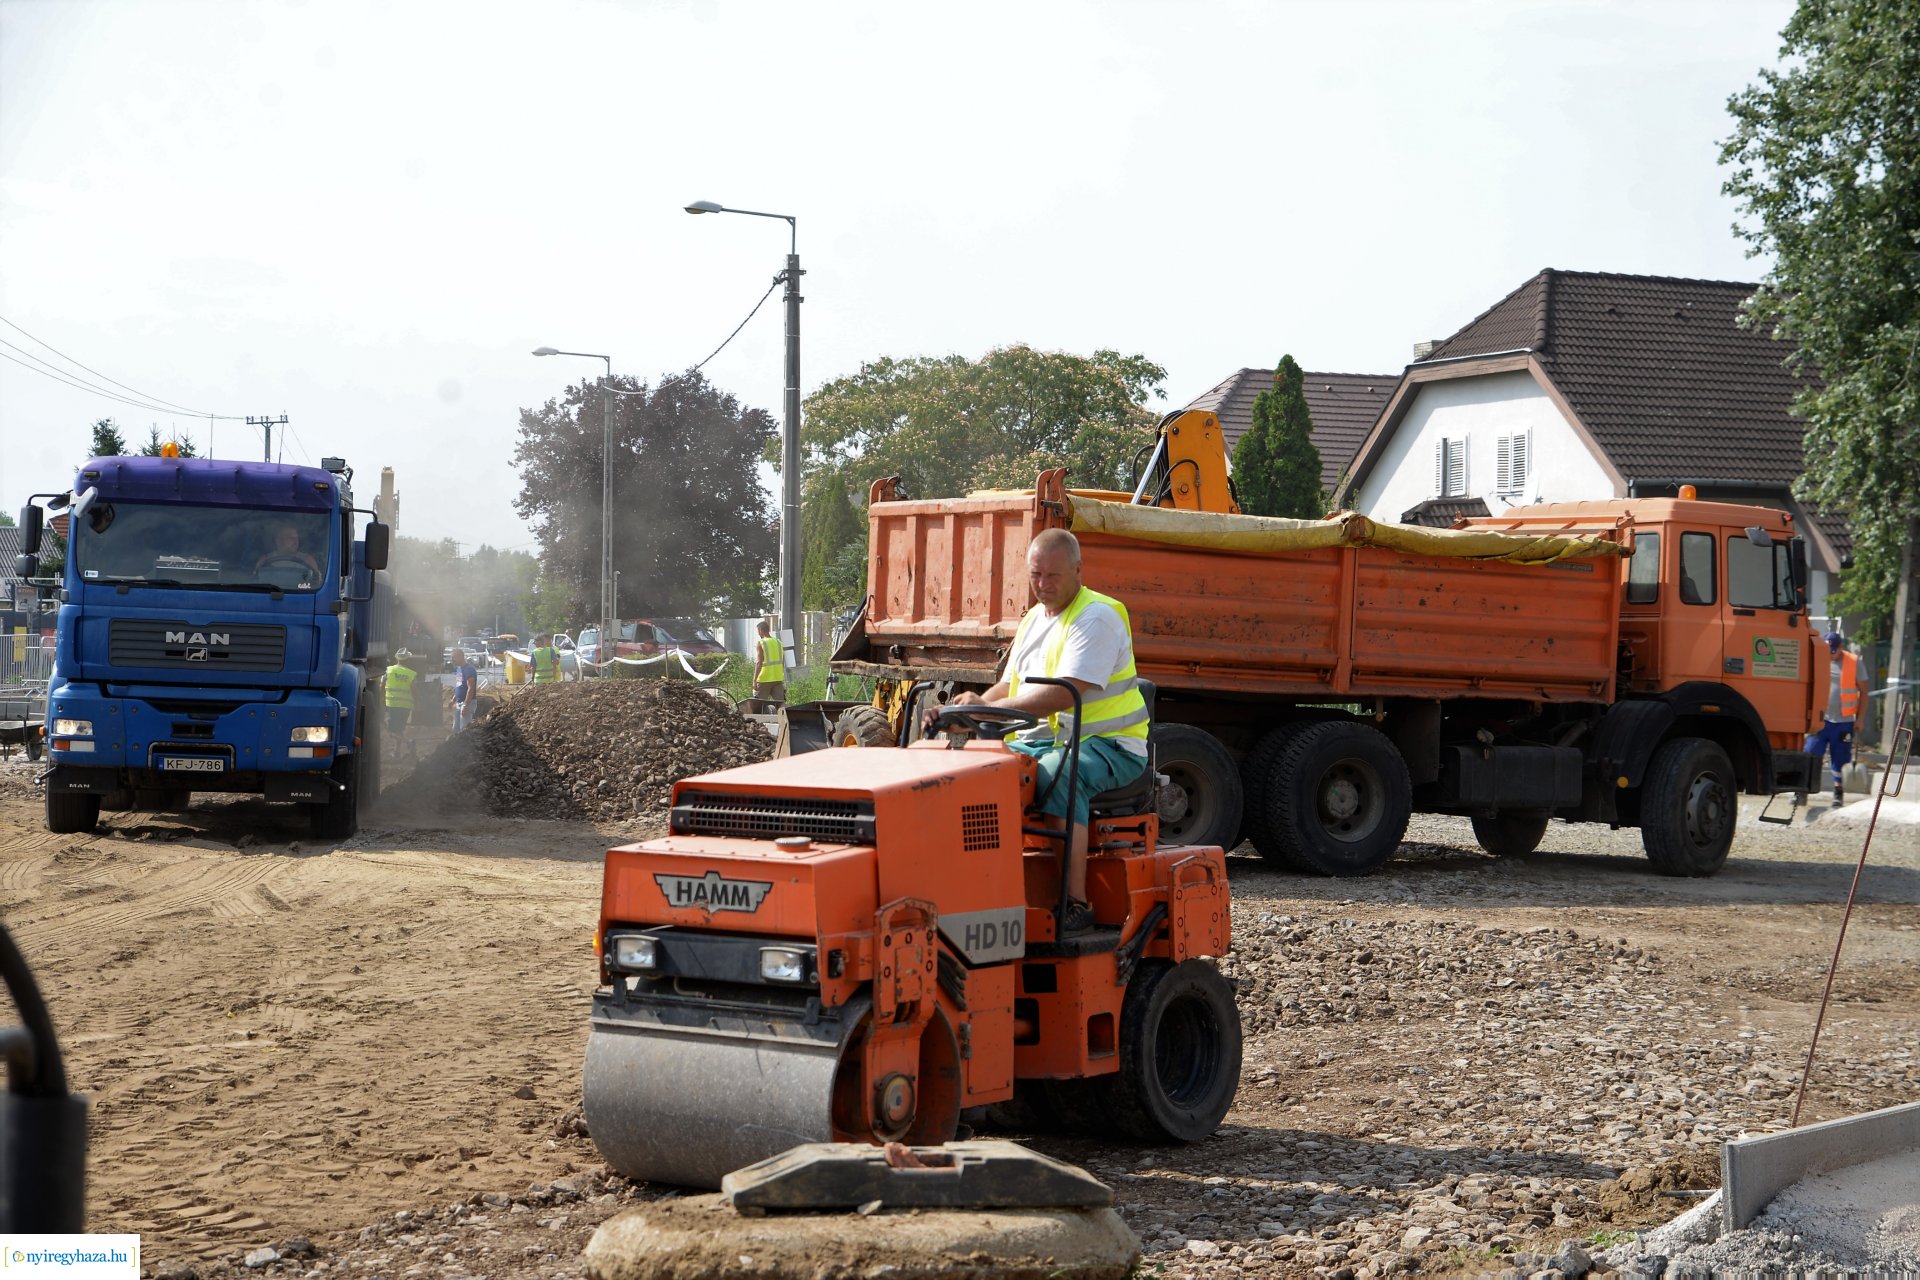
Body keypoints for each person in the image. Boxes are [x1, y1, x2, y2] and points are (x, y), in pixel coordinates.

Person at [933, 528, 1148, 934]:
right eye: (1035, 576)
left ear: (1078, 570)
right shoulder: (1034, 618)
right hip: (1044, 739)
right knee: (964, 771)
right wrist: (971, 704)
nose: (1043, 585)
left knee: (1055, 776)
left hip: (1109, 746)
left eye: (1053, 576)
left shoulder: (1097, 616)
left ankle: (1075, 904)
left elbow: (1061, 697)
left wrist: (990, 708)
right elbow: (1010, 686)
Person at [1804, 629, 1862, 806]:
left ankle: (1838, 793)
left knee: (1840, 757)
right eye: (1828, 651)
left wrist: (1860, 719)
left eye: (1834, 651)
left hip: (1844, 721)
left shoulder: (1853, 662)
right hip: (1820, 719)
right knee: (1811, 754)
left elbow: (1865, 692)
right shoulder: (1817, 659)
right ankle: (1801, 792)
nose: (1831, 655)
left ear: (1840, 647)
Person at [385, 649, 418, 760]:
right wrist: (417, 702)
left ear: (396, 658)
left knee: (390, 731)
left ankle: (408, 742)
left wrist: (380, 700)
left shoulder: (389, 670)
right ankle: (397, 751)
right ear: (407, 660)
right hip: (406, 706)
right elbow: (414, 690)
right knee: (399, 729)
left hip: (392, 704)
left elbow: (381, 686)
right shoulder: (411, 673)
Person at [254, 524, 320, 576]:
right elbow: (255, 580)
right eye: (291, 538)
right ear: (278, 541)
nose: (296, 541)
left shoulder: (308, 560)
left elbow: (316, 581)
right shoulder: (265, 560)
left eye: (297, 538)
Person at [753, 619, 786, 707]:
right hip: (778, 679)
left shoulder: (761, 643)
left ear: (761, 630)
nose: (758, 634)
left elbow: (759, 662)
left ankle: (758, 721)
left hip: (764, 679)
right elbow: (782, 661)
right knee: (781, 706)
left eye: (758, 631)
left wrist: (754, 680)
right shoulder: (779, 642)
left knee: (758, 706)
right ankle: (785, 720)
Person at [450, 647, 478, 732]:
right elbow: (459, 685)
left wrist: (466, 705)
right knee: (456, 729)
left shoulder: (469, 669)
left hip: (467, 703)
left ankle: (467, 745)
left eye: (454, 657)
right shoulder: (459, 669)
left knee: (464, 730)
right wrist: (453, 699)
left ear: (461, 657)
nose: (452, 660)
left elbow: (471, 688)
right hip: (459, 703)